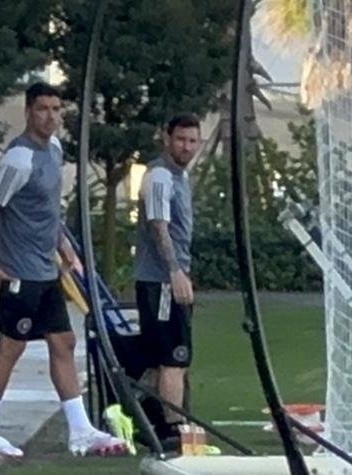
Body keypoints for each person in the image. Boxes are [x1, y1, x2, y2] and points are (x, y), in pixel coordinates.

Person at [0, 82, 126, 458]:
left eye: (56, 109)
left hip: (46, 269)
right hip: (20, 271)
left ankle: (80, 429)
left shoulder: (53, 150)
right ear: (28, 111)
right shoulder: (18, 159)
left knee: (63, 342)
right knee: (11, 346)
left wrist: (63, 245)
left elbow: (49, 209)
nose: (51, 116)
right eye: (43, 109)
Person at [133, 114, 200, 443]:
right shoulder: (159, 176)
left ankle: (142, 414)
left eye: (192, 141)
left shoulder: (180, 177)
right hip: (160, 281)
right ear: (166, 138)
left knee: (169, 357)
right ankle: (172, 429)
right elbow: (158, 225)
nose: (186, 147)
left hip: (172, 277)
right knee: (173, 357)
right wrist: (174, 271)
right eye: (181, 140)